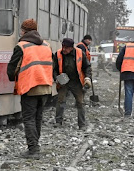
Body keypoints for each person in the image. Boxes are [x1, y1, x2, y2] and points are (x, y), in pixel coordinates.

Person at [7, 18, 54, 158]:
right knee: (38, 118)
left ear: (24, 31)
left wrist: (13, 78)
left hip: (30, 87)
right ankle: (35, 146)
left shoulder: (21, 46)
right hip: (45, 86)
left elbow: (11, 69)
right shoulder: (47, 45)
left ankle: (33, 149)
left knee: (28, 118)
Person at [53, 37, 91, 129]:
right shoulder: (58, 54)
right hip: (64, 81)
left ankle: (82, 124)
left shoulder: (80, 53)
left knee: (80, 102)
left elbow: (87, 66)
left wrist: (87, 77)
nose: (64, 49)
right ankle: (58, 122)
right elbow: (54, 69)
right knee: (60, 101)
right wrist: (56, 78)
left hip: (77, 81)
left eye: (66, 47)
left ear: (71, 48)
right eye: (63, 47)